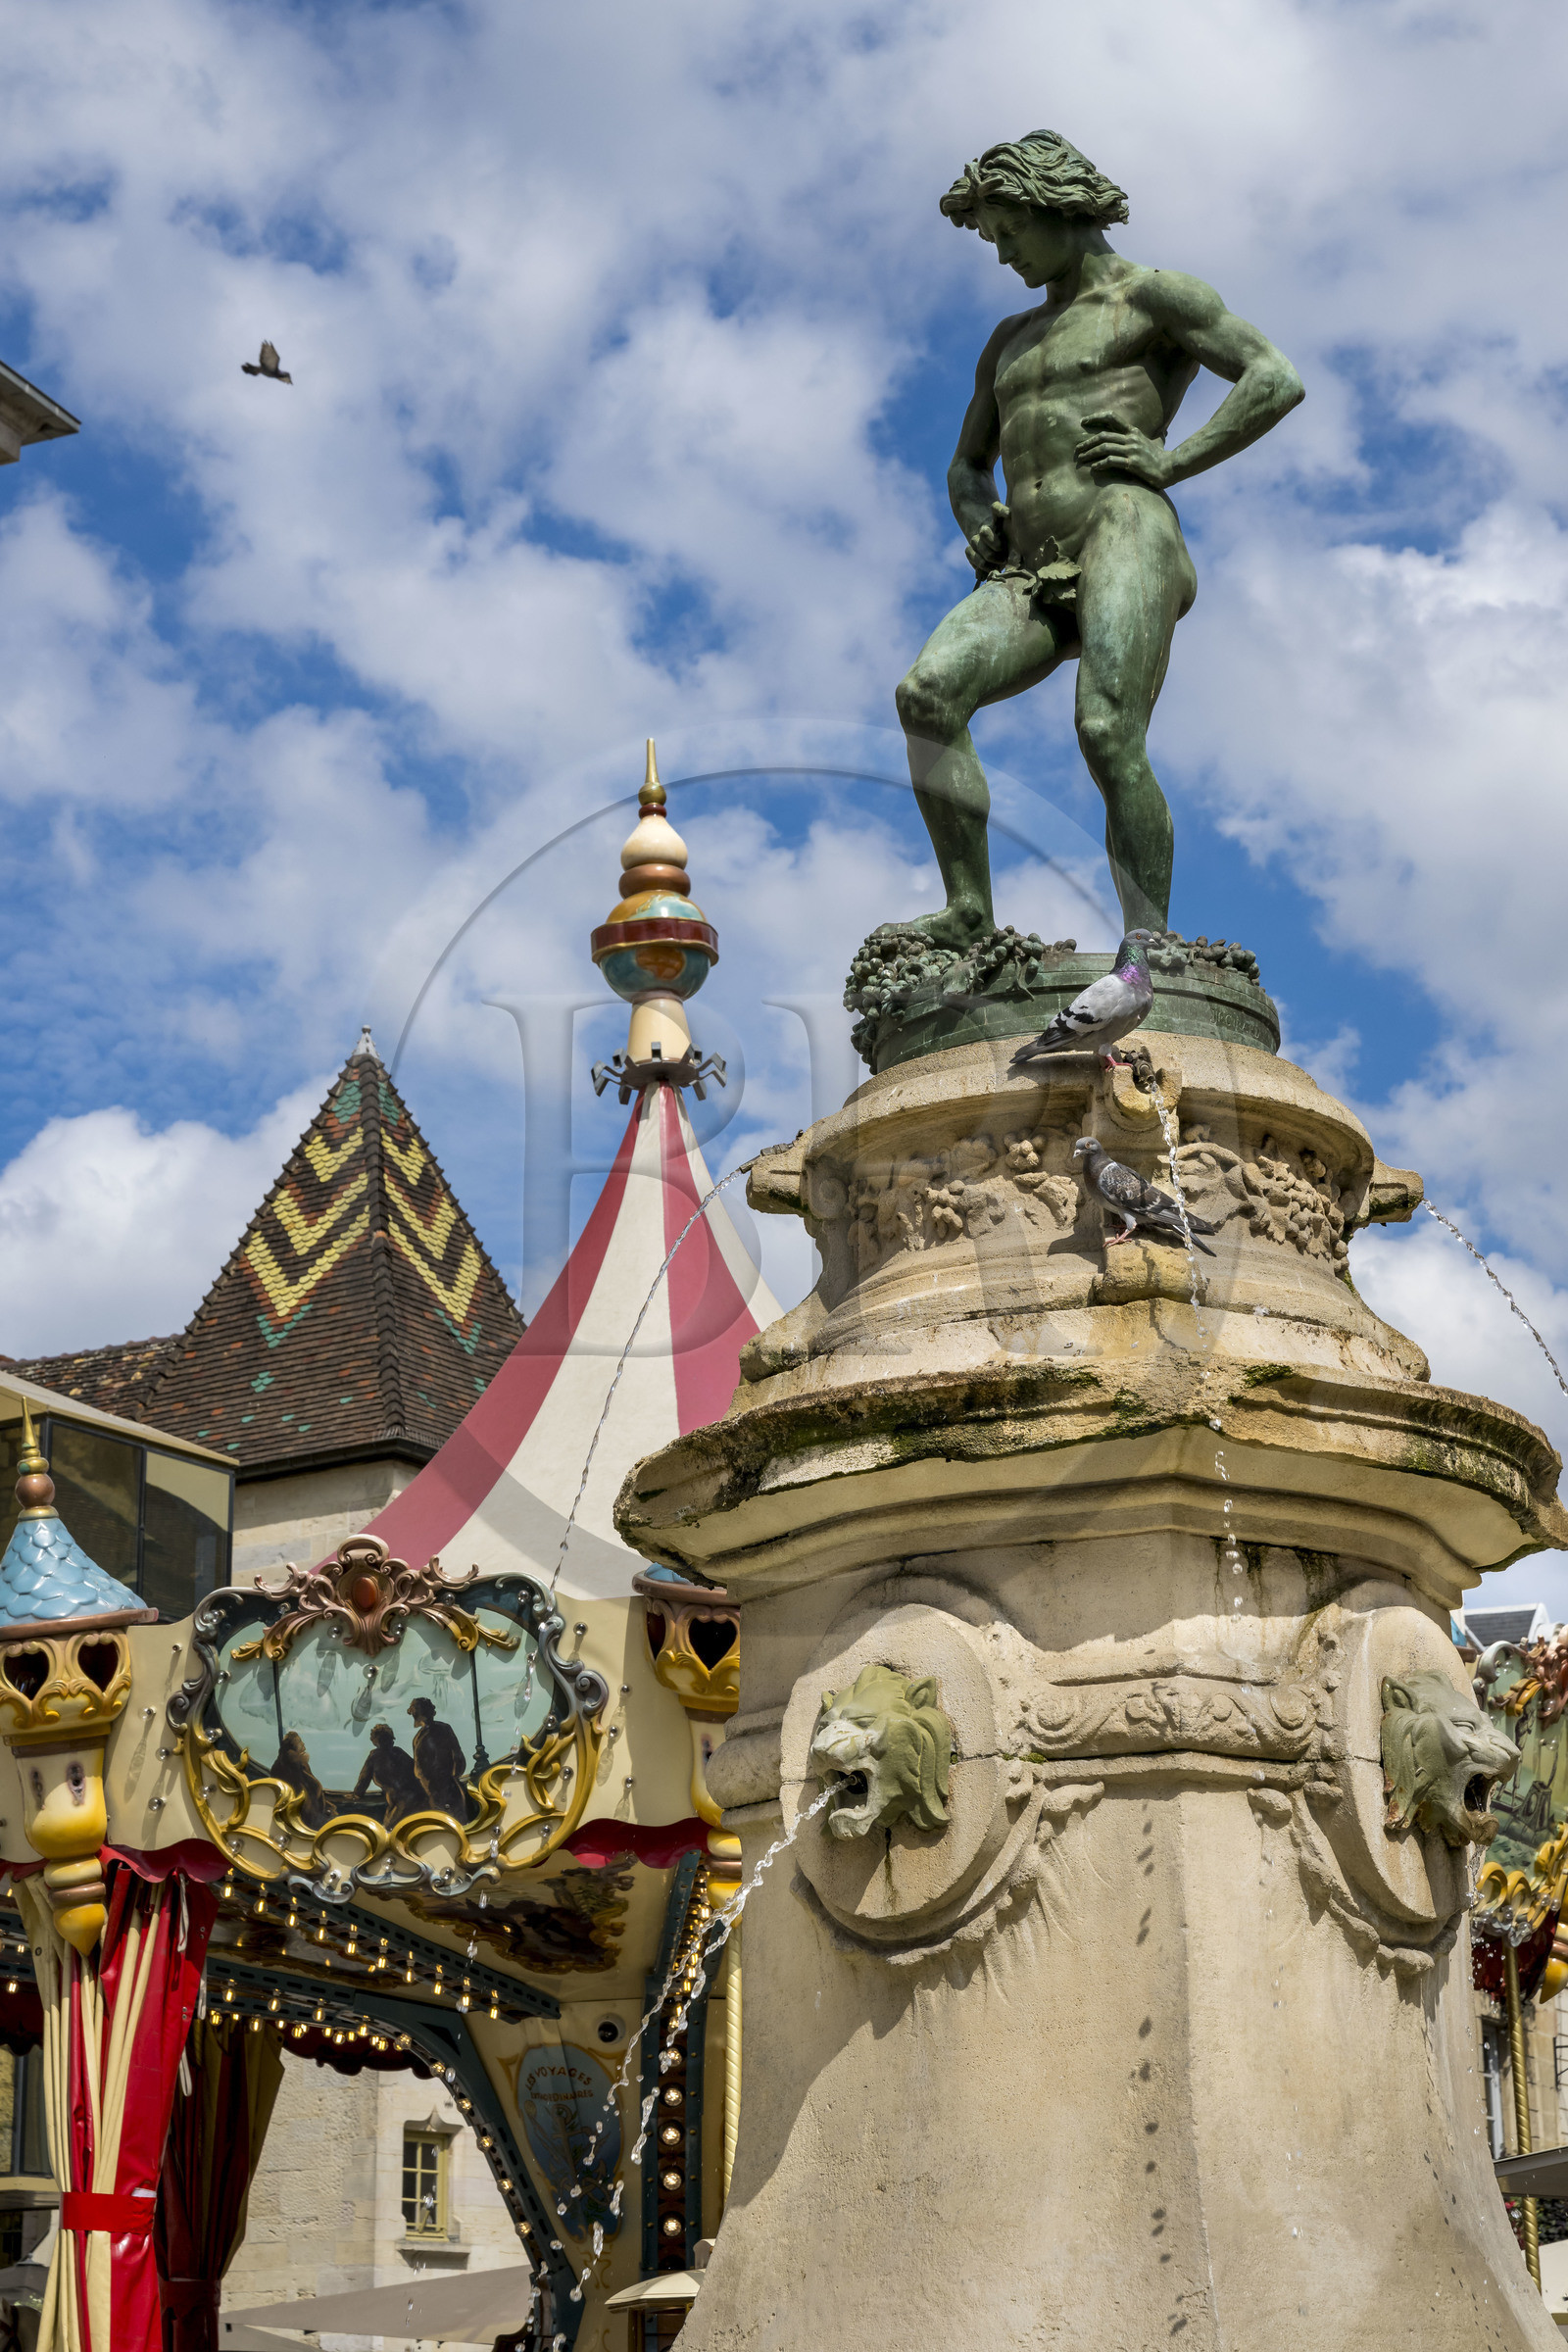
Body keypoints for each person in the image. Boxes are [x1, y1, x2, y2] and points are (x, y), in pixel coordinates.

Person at [896, 128, 1303, 943]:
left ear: (1061, 207)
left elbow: (1273, 377)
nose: (1004, 252)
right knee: (927, 696)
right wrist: (979, 521)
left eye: (1011, 231)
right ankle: (971, 909)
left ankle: (1148, 942)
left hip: (1124, 527)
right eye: (992, 238)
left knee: (1108, 730)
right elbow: (966, 466)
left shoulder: (1156, 298)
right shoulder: (1009, 339)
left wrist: (1171, 459)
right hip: (1027, 567)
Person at [351, 1722, 425, 1827]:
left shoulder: (374, 1757)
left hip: (405, 1804)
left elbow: (362, 1784)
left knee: (389, 1830)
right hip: (415, 1801)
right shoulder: (399, 1753)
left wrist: (355, 1796)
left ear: (375, 1741)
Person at [408, 1693, 470, 1818]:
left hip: (445, 1787)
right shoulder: (418, 1737)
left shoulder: (443, 1729)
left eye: (415, 1710)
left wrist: (453, 1776)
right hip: (430, 1788)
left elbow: (457, 1755)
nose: (413, 1714)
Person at [271, 1730, 331, 1829]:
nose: (303, 1744)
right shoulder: (295, 1765)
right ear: (292, 1748)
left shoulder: (298, 1764)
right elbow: (313, 1790)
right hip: (306, 1817)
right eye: (299, 1742)